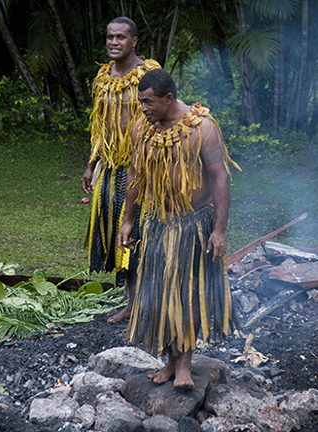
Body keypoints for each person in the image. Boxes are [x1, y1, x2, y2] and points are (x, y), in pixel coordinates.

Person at [118, 69, 240, 389]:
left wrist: (221, 230)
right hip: (157, 222)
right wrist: (128, 219)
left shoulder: (203, 128)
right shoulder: (142, 129)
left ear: (168, 99)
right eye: (140, 102)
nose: (142, 108)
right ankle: (170, 361)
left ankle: (184, 364)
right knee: (158, 294)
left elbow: (220, 178)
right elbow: (135, 176)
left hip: (194, 224)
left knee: (187, 294)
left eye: (148, 102)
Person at [81, 17, 161, 323]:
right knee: (116, 233)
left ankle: (146, 301)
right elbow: (99, 128)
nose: (114, 42)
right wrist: (91, 165)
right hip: (111, 168)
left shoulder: (148, 74)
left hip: (144, 168)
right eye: (110, 37)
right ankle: (132, 300)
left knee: (139, 231)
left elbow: (163, 116)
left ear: (134, 41)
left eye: (121, 38)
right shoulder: (103, 78)